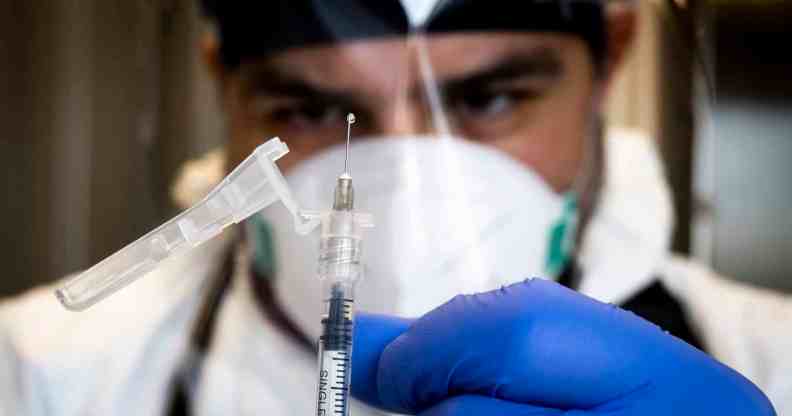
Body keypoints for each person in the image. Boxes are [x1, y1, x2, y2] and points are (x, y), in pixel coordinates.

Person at [0, 1, 786, 414]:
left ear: (611, 59)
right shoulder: (40, 372)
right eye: (308, 109)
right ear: (220, 83)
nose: (405, 187)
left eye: (490, 97)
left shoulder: (773, 362)